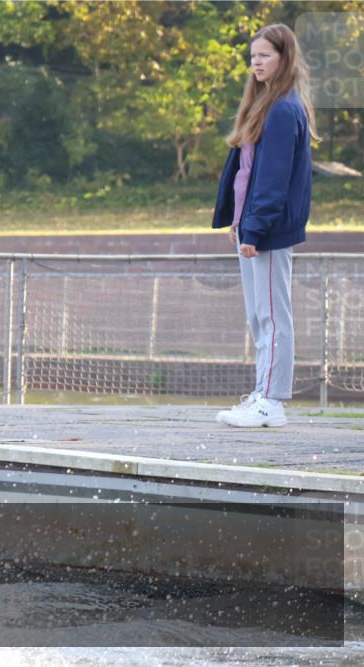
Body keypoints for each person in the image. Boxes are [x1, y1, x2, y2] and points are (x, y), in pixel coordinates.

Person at [212, 23, 318, 428]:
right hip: (251, 229)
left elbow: (272, 180)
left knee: (274, 316)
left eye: (265, 56)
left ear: (284, 59)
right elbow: (245, 173)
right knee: (259, 316)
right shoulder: (264, 105)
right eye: (253, 56)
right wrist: (237, 221)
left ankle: (272, 402)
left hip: (268, 232)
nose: (256, 62)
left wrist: (254, 230)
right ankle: (261, 393)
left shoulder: (284, 109)